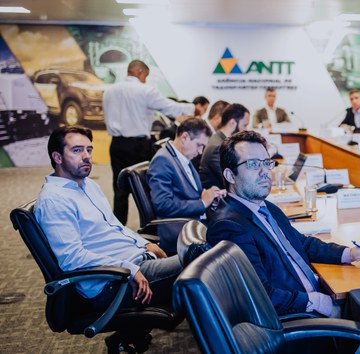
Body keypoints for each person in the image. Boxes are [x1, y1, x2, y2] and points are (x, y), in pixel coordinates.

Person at [206, 131, 360, 317]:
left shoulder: (265, 207)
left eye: (266, 162)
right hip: (297, 315)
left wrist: (349, 253)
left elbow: (301, 243)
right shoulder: (229, 227)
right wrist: (316, 301)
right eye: (253, 164)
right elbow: (259, 295)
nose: (264, 172)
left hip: (310, 295)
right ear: (230, 175)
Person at [35, 126, 183, 310]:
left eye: (89, 150)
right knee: (197, 261)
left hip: (135, 261)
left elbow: (115, 226)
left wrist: (144, 243)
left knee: (200, 256)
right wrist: (128, 269)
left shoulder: (88, 185)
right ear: (57, 157)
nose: (86, 156)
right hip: (114, 282)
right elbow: (72, 258)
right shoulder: (54, 200)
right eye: (77, 150)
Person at [103, 59, 194, 224]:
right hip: (138, 146)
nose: (145, 79)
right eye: (146, 75)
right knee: (145, 189)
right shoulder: (145, 91)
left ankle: (117, 228)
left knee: (119, 189)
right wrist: (192, 109)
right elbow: (169, 107)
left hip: (117, 145)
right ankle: (149, 226)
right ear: (140, 72)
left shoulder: (109, 91)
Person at [147, 118, 226, 220]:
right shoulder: (162, 160)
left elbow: (191, 193)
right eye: (199, 145)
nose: (200, 152)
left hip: (194, 219)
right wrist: (202, 203)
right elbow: (163, 205)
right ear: (184, 138)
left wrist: (210, 195)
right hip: (181, 224)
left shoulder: (183, 156)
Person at [199, 103, 250, 189]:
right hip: (221, 195)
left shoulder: (222, 141)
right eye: (244, 125)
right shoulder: (217, 147)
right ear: (232, 123)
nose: (246, 130)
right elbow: (232, 181)